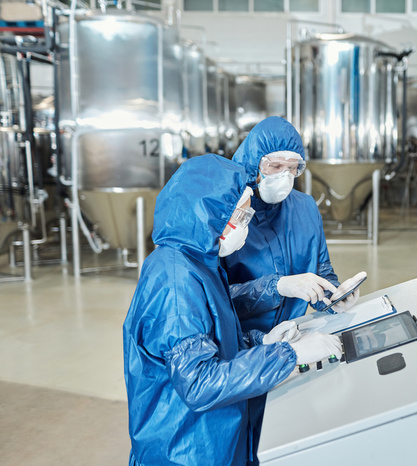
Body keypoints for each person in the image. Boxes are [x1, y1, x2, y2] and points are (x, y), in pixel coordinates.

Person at [123, 154, 341, 466]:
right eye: (241, 215)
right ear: (210, 214)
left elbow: (213, 341)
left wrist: (261, 343)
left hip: (214, 441)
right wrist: (288, 355)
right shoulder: (174, 283)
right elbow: (199, 383)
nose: (246, 223)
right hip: (185, 452)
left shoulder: (198, 262)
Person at [223, 117, 365, 465]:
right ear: (254, 162)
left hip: (297, 344)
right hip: (243, 354)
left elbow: (321, 271)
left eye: (293, 167)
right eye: (275, 166)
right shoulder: (232, 214)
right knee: (242, 444)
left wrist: (335, 298)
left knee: (285, 440)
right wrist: (280, 286)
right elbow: (216, 300)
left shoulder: (304, 208)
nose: (284, 175)